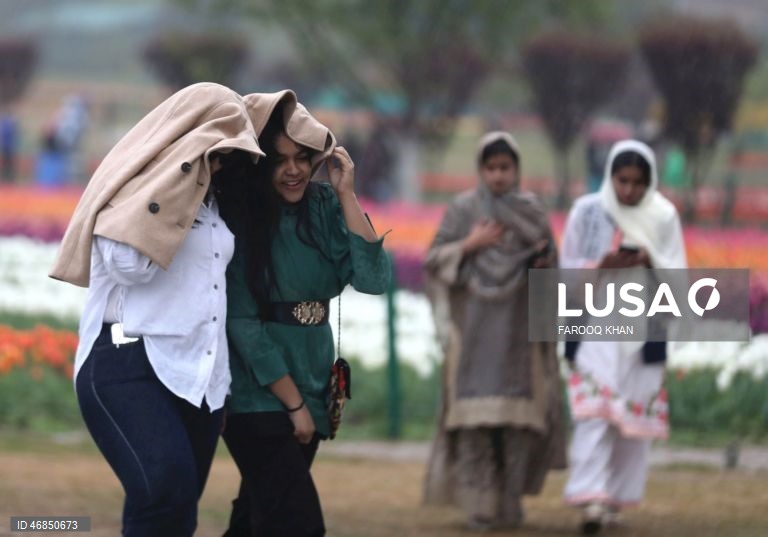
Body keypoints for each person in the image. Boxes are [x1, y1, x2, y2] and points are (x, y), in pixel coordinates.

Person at [49, 82, 264, 536]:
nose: (222, 161)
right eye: (217, 148)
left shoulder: (216, 203)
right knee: (164, 488)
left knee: (177, 511)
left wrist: (218, 380)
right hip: (126, 362)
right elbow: (129, 266)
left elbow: (210, 291)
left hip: (200, 374)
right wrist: (177, 183)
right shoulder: (132, 184)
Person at [219, 91, 392, 536]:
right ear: (260, 163)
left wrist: (347, 193)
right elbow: (241, 323)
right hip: (257, 397)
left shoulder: (323, 206)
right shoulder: (241, 218)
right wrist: (291, 402)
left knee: (257, 520)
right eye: (279, 160)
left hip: (314, 387)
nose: (292, 170)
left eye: (301, 157)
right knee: (298, 525)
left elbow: (373, 279)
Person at [422, 131, 566, 531]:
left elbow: (552, 270)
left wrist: (541, 264)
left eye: (506, 168)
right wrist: (470, 243)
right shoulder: (464, 210)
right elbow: (435, 261)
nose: (499, 176)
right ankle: (479, 506)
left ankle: (510, 501)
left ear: (517, 169)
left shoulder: (532, 212)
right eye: (491, 168)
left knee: (517, 427)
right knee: (473, 426)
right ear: (481, 170)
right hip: (473, 334)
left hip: (520, 337)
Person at [560, 139, 686, 534]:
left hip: (643, 326)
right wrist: (602, 266)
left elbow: (676, 272)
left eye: (637, 183)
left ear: (649, 183)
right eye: (621, 181)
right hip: (595, 324)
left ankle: (614, 498)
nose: (628, 191)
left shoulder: (663, 216)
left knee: (631, 420)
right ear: (610, 176)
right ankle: (591, 496)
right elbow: (566, 270)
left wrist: (651, 262)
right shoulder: (588, 211)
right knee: (594, 412)